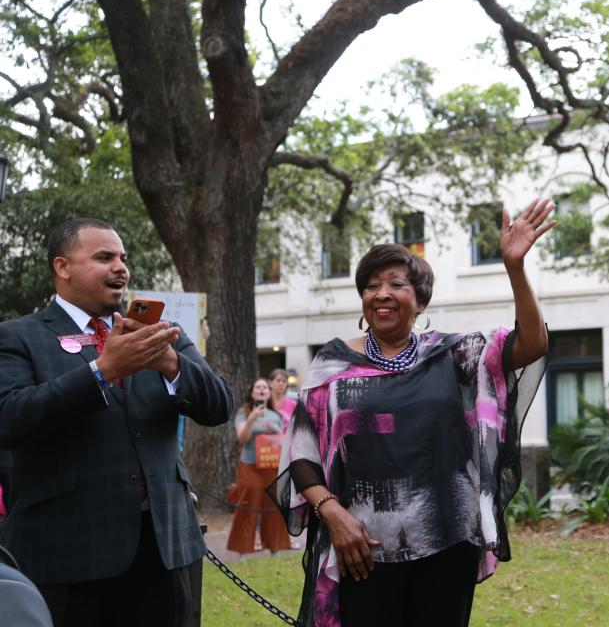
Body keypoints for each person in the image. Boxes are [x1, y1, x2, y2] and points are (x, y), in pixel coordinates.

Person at [271, 199, 555, 627]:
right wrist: (332, 514)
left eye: (396, 284)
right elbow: (301, 454)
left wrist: (515, 268)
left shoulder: (455, 355)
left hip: (447, 541)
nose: (381, 294)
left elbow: (532, 345)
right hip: (361, 547)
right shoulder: (333, 366)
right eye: (370, 285)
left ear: (420, 301)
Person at [0, 217, 233, 627]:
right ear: (63, 267)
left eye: (123, 258)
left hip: (166, 548)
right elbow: (10, 418)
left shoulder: (160, 333)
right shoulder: (18, 337)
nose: (120, 267)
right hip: (68, 555)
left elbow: (219, 405)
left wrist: (170, 362)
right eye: (104, 257)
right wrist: (101, 372)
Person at [227, 377, 291, 554]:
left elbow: (283, 441)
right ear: (252, 392)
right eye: (258, 387)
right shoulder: (243, 413)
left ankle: (274, 548)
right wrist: (251, 419)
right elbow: (242, 438)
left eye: (265, 387)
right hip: (250, 466)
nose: (262, 390)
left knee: (273, 508)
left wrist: (277, 430)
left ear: (269, 392)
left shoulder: (276, 415)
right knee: (247, 506)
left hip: (271, 465)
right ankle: (243, 549)